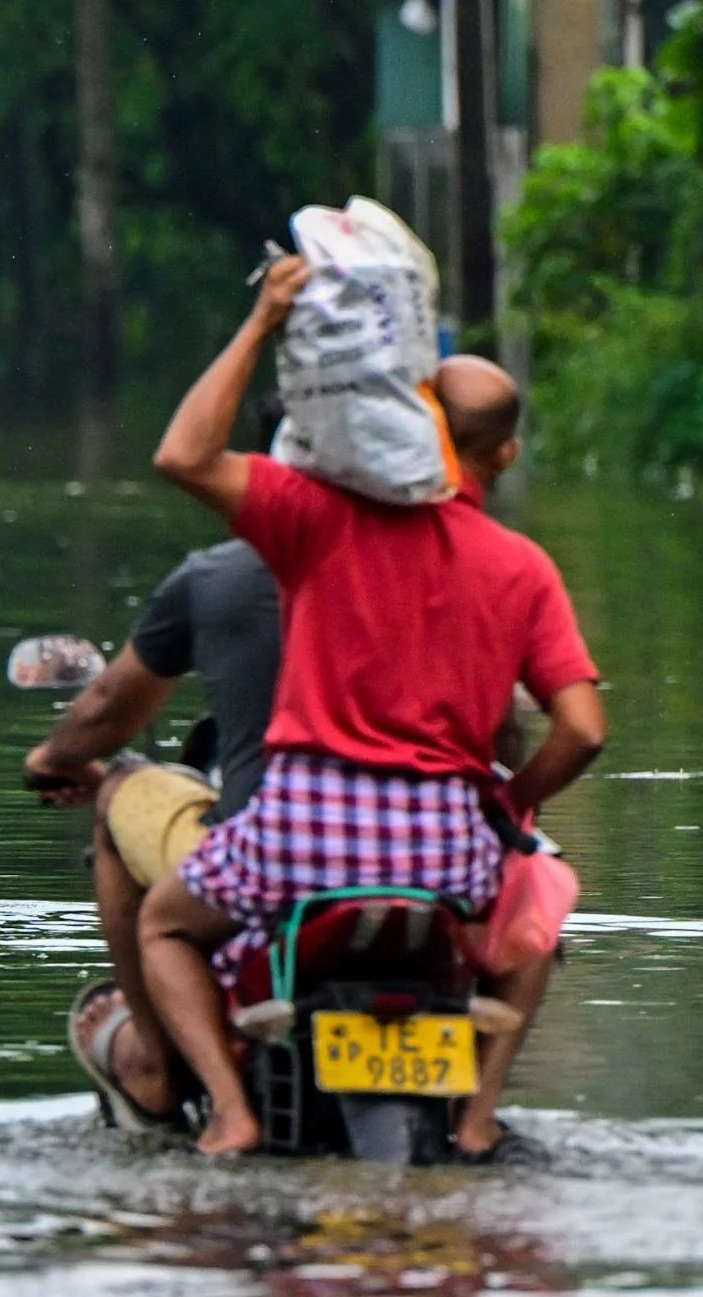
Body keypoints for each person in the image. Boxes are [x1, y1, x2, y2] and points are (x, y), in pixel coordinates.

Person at [139, 256, 607, 1157]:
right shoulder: (523, 567)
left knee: (163, 920)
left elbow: (183, 455)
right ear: (505, 454)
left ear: (417, 418)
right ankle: (474, 1118)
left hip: (299, 841)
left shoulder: (319, 516)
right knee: (539, 911)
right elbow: (584, 729)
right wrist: (507, 805)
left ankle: (232, 1110)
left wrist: (264, 322)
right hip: (445, 854)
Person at [22, 537, 278, 1130]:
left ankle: (161, 1071)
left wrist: (55, 760)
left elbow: (109, 703)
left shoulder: (226, 572)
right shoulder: (470, 563)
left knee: (126, 811)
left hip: (280, 845)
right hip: (437, 857)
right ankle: (475, 1116)